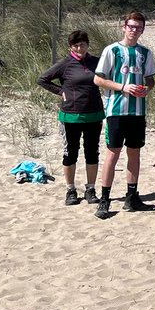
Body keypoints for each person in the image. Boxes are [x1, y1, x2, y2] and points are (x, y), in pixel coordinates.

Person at [92, 11, 155, 219]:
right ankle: (104, 199)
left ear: (142, 29)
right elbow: (99, 79)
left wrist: (147, 89)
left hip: (137, 111)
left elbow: (150, 80)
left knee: (134, 153)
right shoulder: (112, 50)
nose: (134, 30)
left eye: (138, 27)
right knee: (113, 153)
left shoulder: (145, 53)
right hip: (116, 110)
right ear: (124, 27)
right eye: (131, 26)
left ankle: (132, 196)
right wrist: (122, 87)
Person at [37, 29, 103, 206]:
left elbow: (109, 77)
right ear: (70, 47)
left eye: (82, 44)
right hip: (70, 116)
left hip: (94, 114)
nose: (80, 48)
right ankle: (70, 189)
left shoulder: (96, 62)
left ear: (88, 44)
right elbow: (42, 79)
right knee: (70, 153)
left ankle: (90, 188)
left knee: (92, 152)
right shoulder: (65, 64)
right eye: (76, 45)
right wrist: (61, 92)